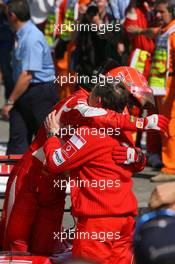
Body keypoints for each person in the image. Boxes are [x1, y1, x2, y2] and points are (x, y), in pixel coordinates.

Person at [1, 67, 168, 255]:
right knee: (16, 247)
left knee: (44, 250)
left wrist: (135, 156)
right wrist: (142, 123)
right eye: (129, 100)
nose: (130, 107)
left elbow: (137, 159)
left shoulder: (112, 124)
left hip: (58, 186)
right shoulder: (79, 102)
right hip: (30, 177)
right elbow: (94, 116)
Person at [43, 81, 145, 264]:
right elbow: (138, 163)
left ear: (97, 100)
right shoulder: (125, 128)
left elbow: (55, 162)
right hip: (126, 218)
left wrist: (52, 136)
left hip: (96, 222)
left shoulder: (88, 133)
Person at [1, 0, 58, 155]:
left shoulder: (31, 38)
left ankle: (50, 176)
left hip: (40, 94)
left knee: (44, 140)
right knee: (18, 138)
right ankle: (14, 174)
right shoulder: (21, 35)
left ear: (12, 16)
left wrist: (10, 101)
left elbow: (27, 76)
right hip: (24, 91)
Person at [148, 0, 175, 182]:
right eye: (156, 12)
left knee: (171, 125)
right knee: (164, 124)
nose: (157, 16)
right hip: (160, 86)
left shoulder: (173, 33)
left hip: (170, 86)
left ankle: (171, 168)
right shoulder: (164, 31)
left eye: (161, 12)